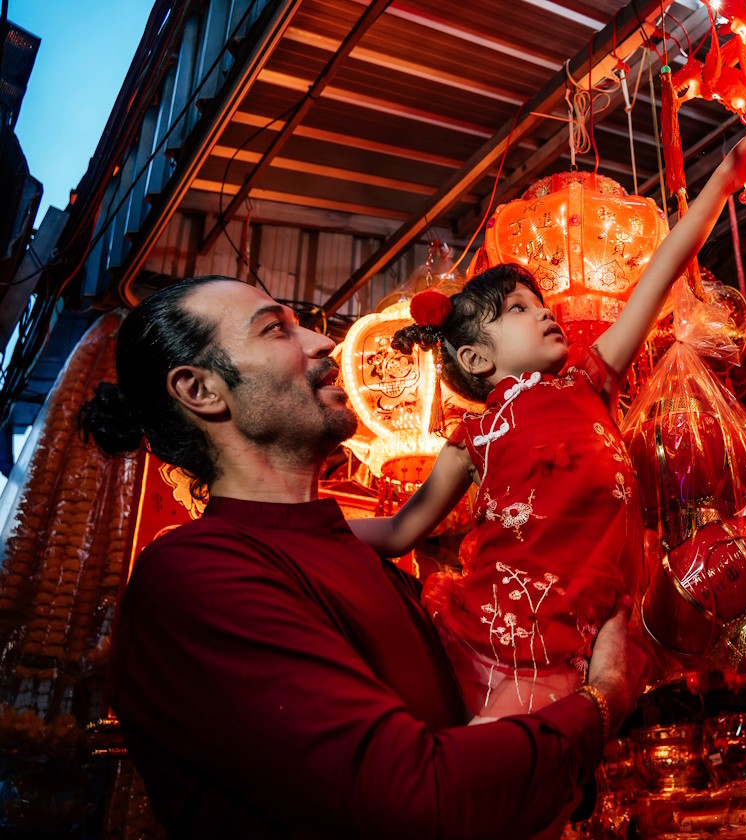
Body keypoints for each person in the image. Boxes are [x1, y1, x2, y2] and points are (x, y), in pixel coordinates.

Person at [79, 273, 650, 839]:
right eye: (276, 330)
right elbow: (412, 801)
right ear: (200, 390)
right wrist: (600, 705)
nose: (322, 341)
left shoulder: (368, 565)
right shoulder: (196, 576)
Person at [350, 136, 746, 721]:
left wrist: (722, 179)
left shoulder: (590, 384)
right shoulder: (473, 438)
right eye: (518, 309)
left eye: (538, 302)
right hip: (484, 638)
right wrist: (293, 524)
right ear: (475, 360)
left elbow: (662, 268)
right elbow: (397, 533)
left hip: (575, 650)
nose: (544, 311)